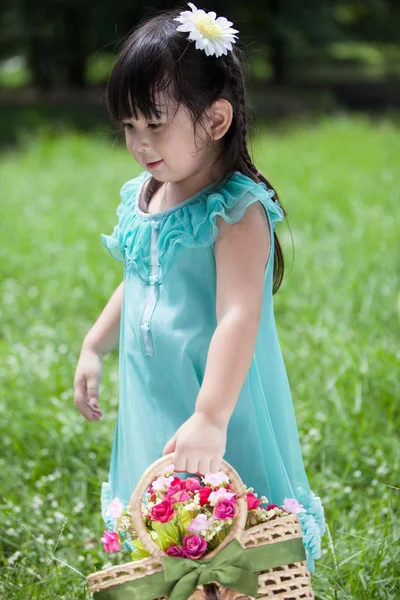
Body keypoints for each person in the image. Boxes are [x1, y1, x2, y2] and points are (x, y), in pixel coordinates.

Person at [73, 3, 326, 572]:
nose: (140, 143)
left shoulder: (236, 212)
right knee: (159, 509)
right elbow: (140, 278)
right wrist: (95, 344)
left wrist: (211, 415)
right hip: (154, 389)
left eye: (155, 123)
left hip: (214, 391)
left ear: (215, 121)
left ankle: (249, 574)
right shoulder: (147, 192)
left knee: (230, 508)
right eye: (128, 127)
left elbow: (240, 316)